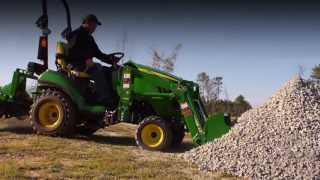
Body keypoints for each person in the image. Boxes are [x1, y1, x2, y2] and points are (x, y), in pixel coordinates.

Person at [66, 14, 120, 108]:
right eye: (94, 25)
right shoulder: (77, 34)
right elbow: (70, 51)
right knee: (97, 68)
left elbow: (98, 54)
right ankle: (106, 100)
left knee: (108, 71)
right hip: (76, 64)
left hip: (86, 65)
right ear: (88, 23)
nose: (95, 28)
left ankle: (114, 97)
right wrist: (85, 59)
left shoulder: (90, 38)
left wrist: (112, 61)